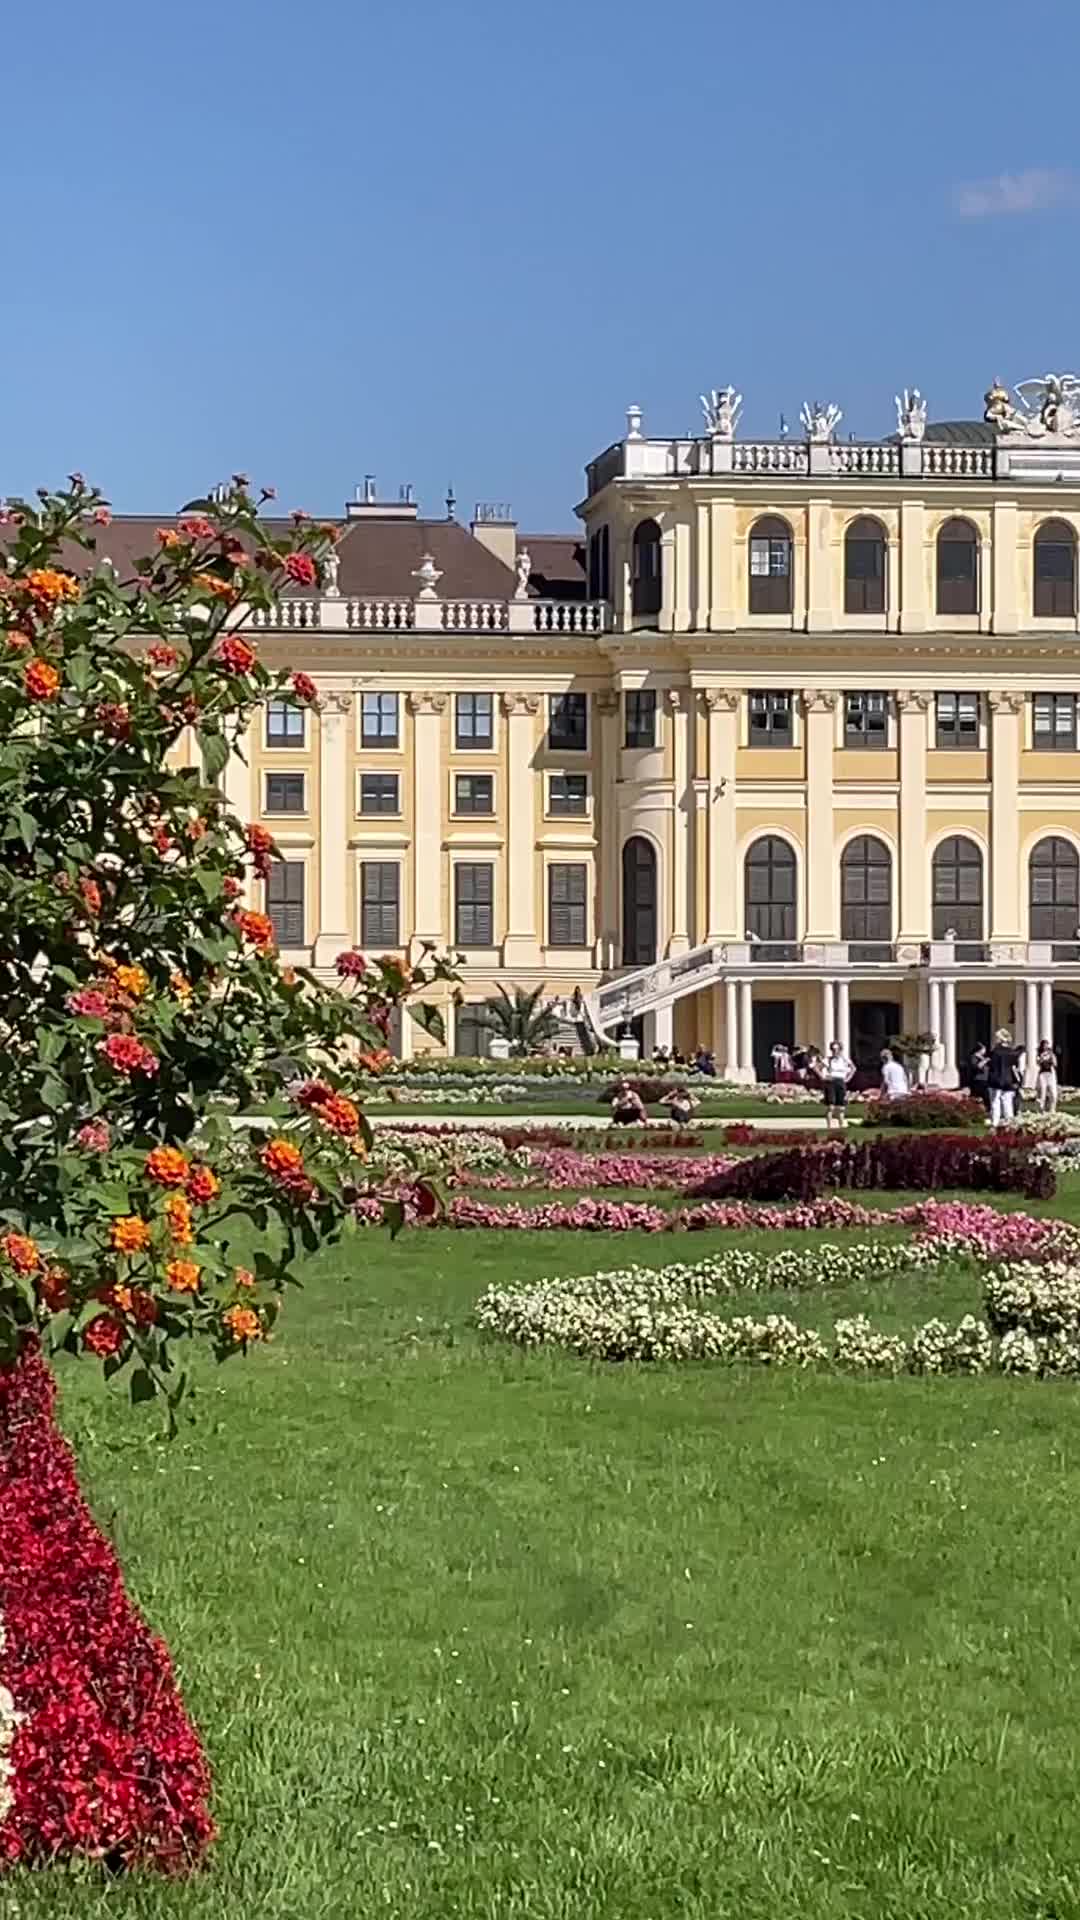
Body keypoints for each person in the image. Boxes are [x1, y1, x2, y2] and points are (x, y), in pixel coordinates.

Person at [987, 1027, 1024, 1127]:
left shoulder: (995, 1052)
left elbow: (991, 1065)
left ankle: (995, 1122)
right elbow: (1015, 1065)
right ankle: (1009, 1122)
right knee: (1007, 1102)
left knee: (995, 1102)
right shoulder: (1012, 1053)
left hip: (995, 1080)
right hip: (1008, 1080)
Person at [821, 1038, 855, 1131]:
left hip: (840, 1081)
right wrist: (823, 1077)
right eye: (833, 1049)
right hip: (831, 1082)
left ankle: (841, 1126)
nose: (835, 1051)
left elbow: (853, 1068)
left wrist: (848, 1078)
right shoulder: (828, 1060)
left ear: (840, 1049)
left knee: (841, 1107)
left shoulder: (844, 1059)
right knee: (831, 1106)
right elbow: (817, 1067)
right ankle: (829, 1127)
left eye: (837, 1049)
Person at [1036, 1037, 1059, 1114]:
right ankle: (1041, 1109)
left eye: (1047, 1045)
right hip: (1043, 1074)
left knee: (1053, 1092)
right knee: (1043, 1092)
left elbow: (1055, 1064)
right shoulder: (1039, 1054)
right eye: (1044, 1045)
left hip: (1050, 1074)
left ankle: (1052, 1109)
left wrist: (1051, 1056)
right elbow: (1038, 1063)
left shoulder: (1051, 1053)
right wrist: (1042, 1057)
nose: (1046, 1047)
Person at [968, 1042, 991, 1115]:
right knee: (979, 1096)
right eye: (984, 1049)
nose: (985, 1051)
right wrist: (985, 1061)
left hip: (985, 1080)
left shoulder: (982, 1057)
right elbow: (977, 1067)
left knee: (986, 1097)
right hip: (978, 1080)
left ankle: (985, 1111)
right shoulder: (974, 1057)